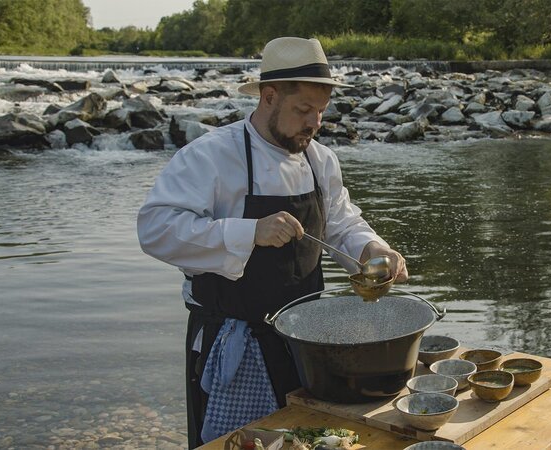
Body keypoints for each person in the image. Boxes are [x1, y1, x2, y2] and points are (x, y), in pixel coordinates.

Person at [136, 36, 408, 448]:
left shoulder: (321, 160)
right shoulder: (210, 156)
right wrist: (249, 231)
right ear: (268, 97)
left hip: (308, 342)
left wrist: (371, 249)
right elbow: (155, 229)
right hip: (235, 342)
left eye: (321, 111)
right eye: (303, 110)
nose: (314, 123)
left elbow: (341, 222)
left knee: (312, 438)